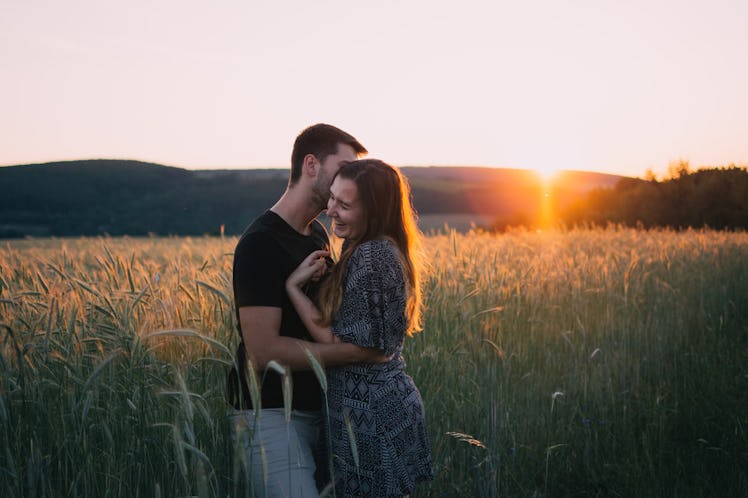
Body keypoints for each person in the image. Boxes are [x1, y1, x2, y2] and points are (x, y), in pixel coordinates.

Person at [227, 124, 389, 498]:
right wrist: (352, 353)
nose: (353, 180)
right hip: (269, 416)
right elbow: (262, 352)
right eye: (344, 167)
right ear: (311, 165)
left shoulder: (318, 234)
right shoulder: (259, 243)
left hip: (322, 412)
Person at [286, 159, 434, 497]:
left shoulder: (373, 256)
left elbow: (344, 345)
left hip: (372, 413)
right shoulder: (368, 250)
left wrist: (294, 289)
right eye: (333, 197)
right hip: (370, 407)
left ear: (374, 211)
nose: (330, 209)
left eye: (345, 204)